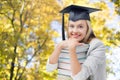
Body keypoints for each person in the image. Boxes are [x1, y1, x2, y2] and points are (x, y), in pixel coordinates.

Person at [46, 5, 106, 80]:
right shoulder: (65, 44)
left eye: (80, 26)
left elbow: (79, 77)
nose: (75, 31)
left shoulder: (97, 45)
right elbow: (49, 68)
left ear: (87, 28)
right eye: (71, 26)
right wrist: (58, 47)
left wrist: (72, 49)